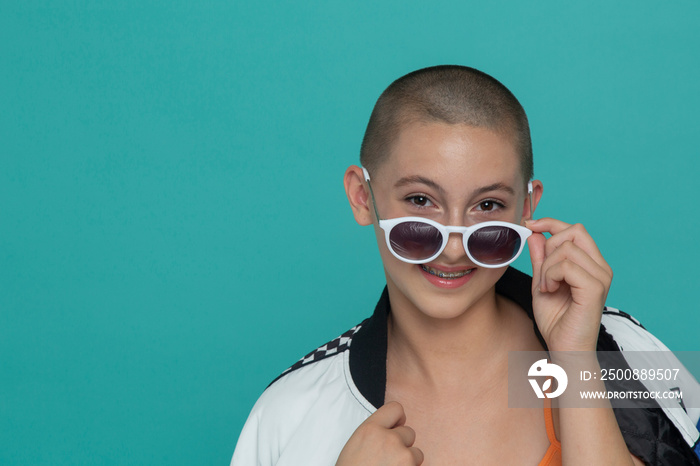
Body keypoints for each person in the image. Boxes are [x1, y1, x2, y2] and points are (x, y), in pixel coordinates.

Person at [231, 66, 700, 465]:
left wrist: (578, 355)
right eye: (420, 201)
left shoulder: (629, 352)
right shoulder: (290, 414)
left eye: (488, 206)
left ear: (527, 208)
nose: (453, 248)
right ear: (362, 197)